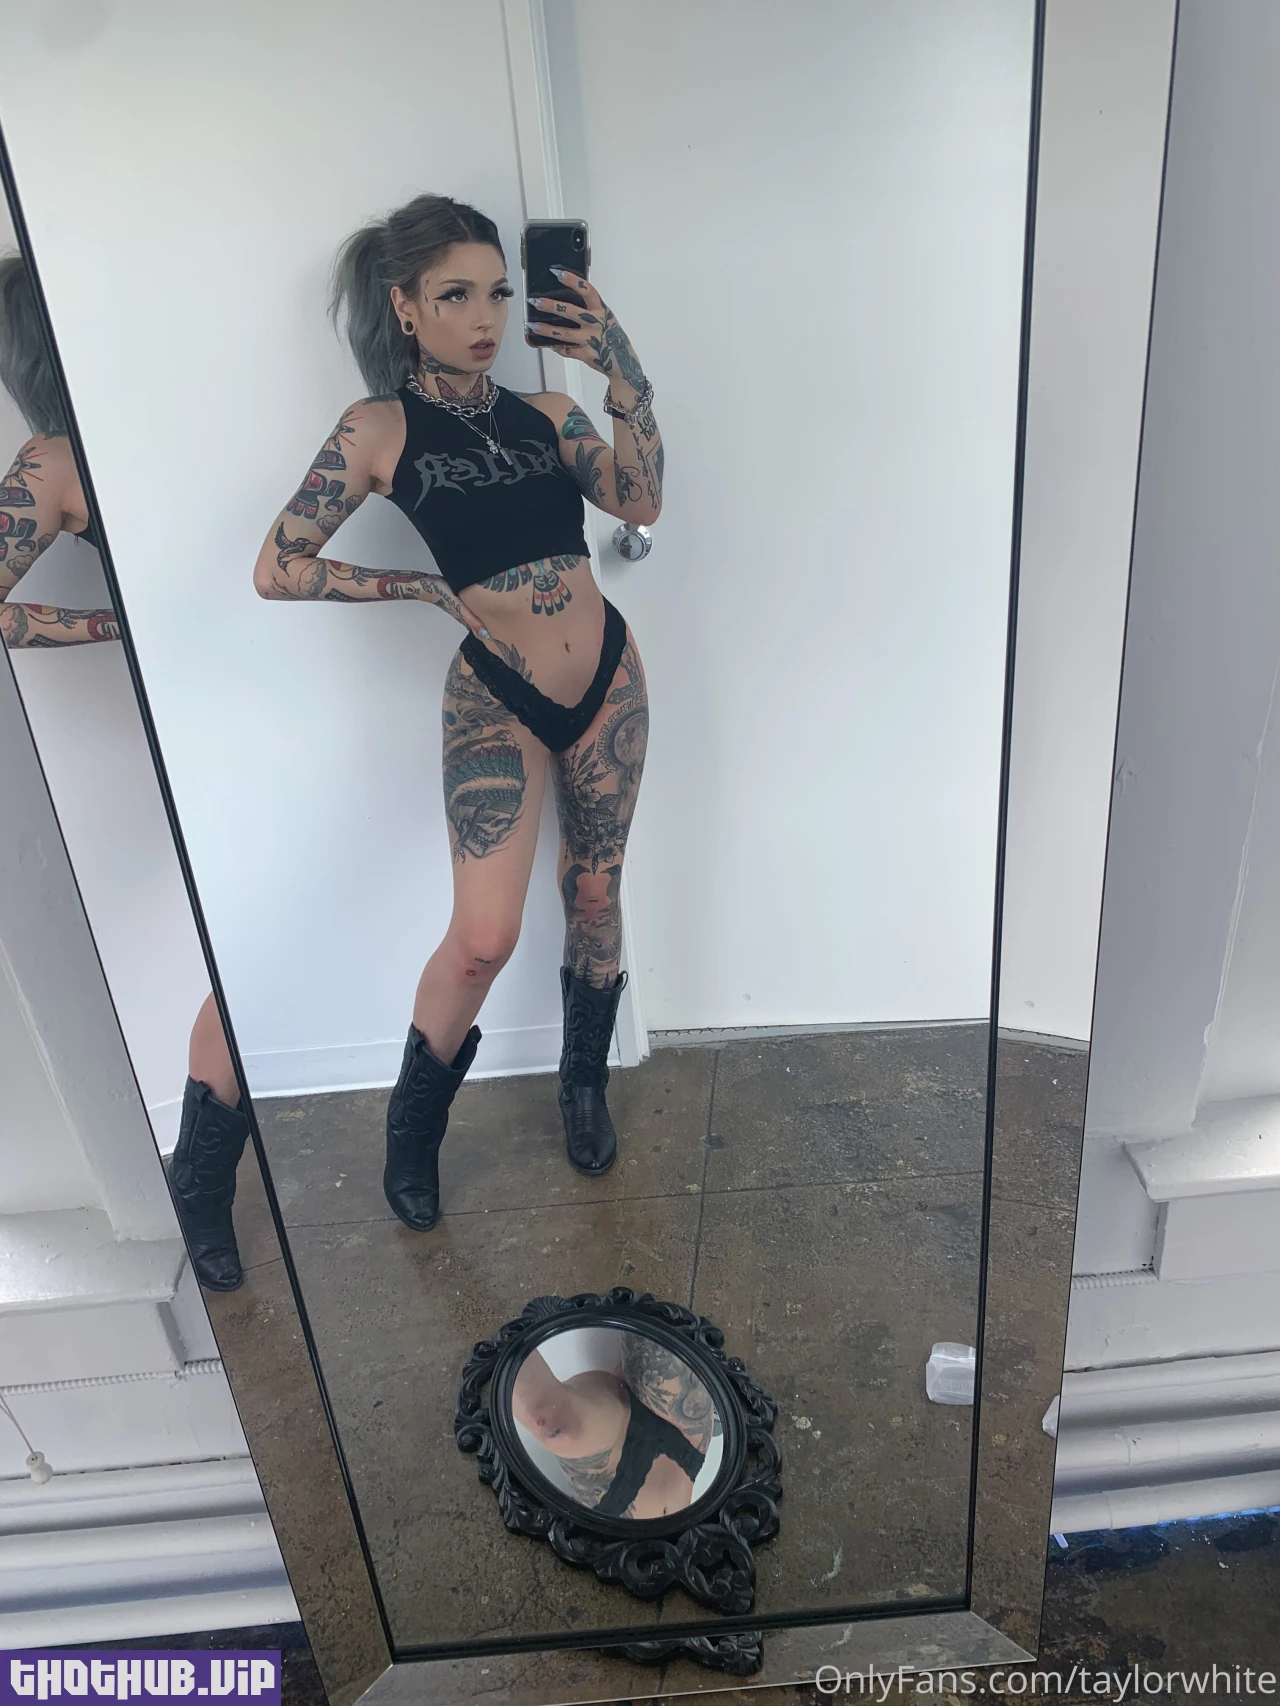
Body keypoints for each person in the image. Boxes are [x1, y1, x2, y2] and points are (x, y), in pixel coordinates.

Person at [251, 194, 663, 1233]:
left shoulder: (550, 412)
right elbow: (277, 566)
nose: (483, 318)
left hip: (607, 676)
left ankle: (582, 1085)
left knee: (596, 894)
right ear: (404, 306)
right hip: (496, 693)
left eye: (497, 294)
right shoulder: (377, 429)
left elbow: (639, 500)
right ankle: (414, 1125)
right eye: (454, 296)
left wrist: (622, 372)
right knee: (483, 937)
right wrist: (416, 589)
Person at [1, 252, 251, 1292]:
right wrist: (111, 626)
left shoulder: (164, 417)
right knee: (243, 958)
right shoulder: (54, 459)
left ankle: (203, 1170)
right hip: (199, 718)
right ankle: (202, 1177)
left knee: (266, 943)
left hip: (277, 691)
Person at [511, 1333, 712, 1521]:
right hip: (683, 1445)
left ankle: (500, 1339)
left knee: (554, 1424)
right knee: (660, 1337)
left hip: (614, 1507)